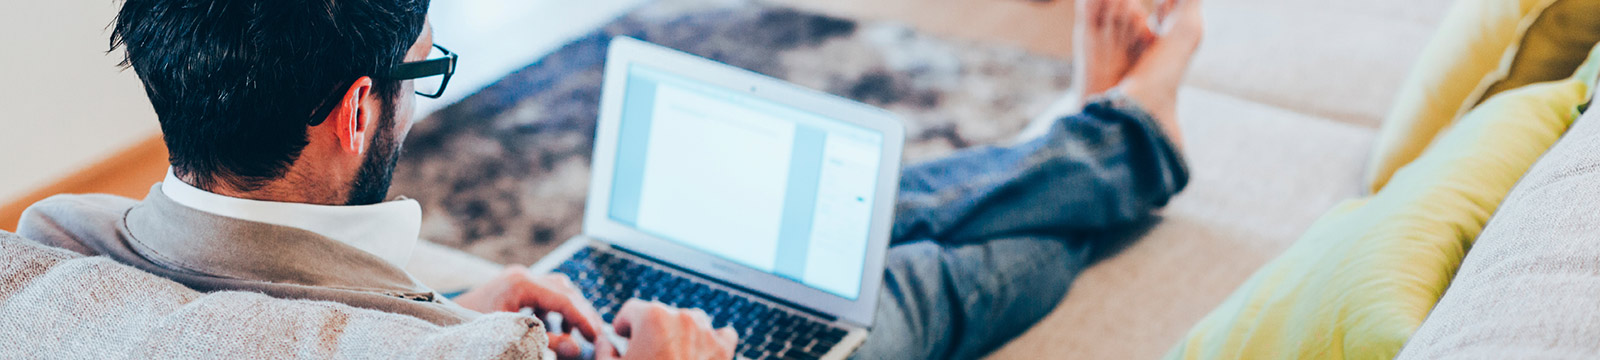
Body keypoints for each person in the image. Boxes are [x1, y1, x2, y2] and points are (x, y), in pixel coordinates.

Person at [15, 0, 1202, 358]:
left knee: (859, 228)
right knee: (912, 289)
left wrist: (440, 308)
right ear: (358, 110)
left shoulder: (43, 258)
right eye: (420, 73)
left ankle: (1094, 132)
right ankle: (1116, 136)